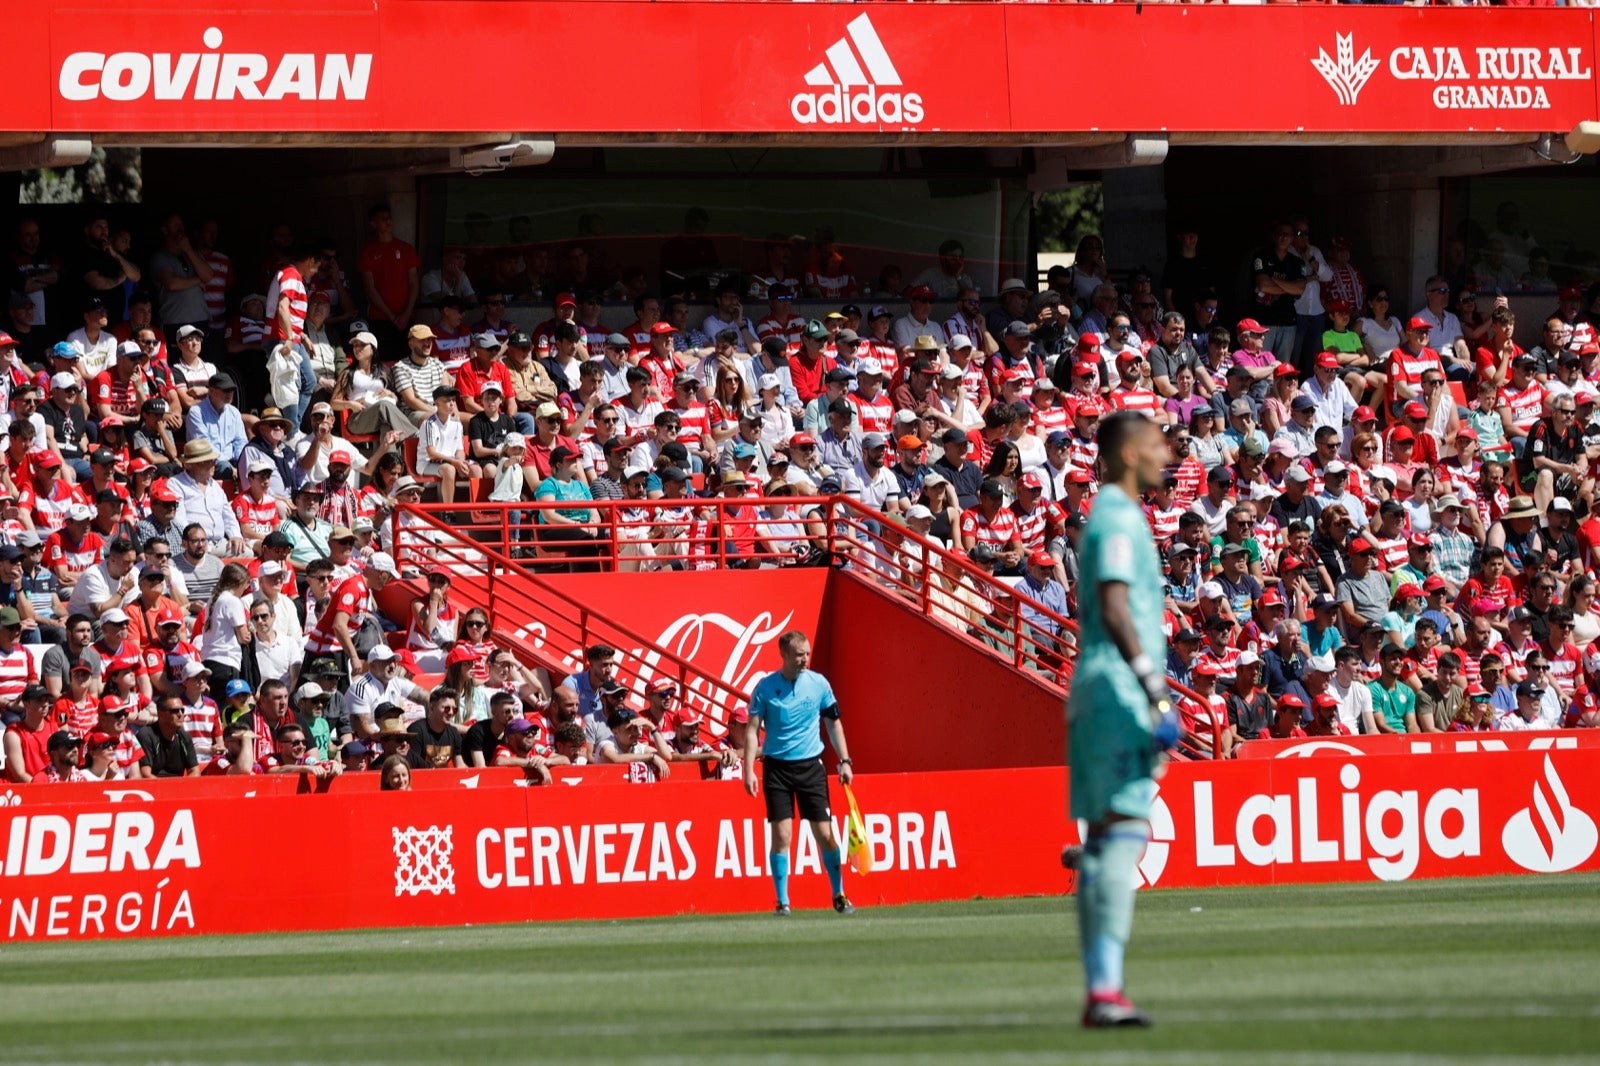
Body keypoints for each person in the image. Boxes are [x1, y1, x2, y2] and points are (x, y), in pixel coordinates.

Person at [1063, 410, 1176, 1028]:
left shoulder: (1120, 515)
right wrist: (1155, 688)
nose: (1168, 454)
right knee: (1126, 828)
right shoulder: (1115, 515)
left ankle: (1102, 988)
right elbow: (1111, 602)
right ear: (1130, 454)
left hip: (1108, 691)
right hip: (1117, 694)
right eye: (1158, 444)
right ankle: (1104, 989)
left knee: (1110, 835)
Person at [743, 629, 855, 917]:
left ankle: (839, 893)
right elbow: (753, 732)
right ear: (783, 655)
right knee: (782, 835)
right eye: (798, 655)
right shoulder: (765, 688)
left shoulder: (819, 684)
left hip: (810, 767)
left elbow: (834, 724)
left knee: (824, 833)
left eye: (806, 653)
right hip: (777, 769)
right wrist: (749, 771)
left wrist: (845, 760)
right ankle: (782, 901)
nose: (804, 659)